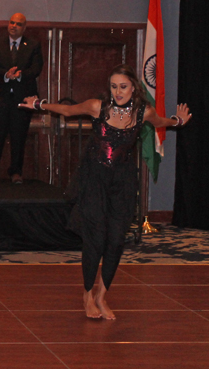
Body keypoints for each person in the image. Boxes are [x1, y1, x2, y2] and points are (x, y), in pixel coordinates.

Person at [20, 64, 192, 320]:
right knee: (96, 238)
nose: (118, 91)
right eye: (114, 86)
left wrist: (177, 121)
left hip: (122, 182)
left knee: (115, 240)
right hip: (94, 180)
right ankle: (87, 293)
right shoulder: (97, 107)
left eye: (123, 86)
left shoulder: (143, 112)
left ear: (134, 87)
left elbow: (161, 122)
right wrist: (39, 105)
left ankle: (102, 295)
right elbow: (67, 111)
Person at [0, 13, 43, 184]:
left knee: (19, 136)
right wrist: (6, 74)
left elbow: (37, 68)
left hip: (23, 99)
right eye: (12, 22)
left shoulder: (33, 45)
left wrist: (21, 75)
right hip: (1, 98)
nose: (14, 26)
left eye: (18, 24)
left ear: (24, 27)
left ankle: (16, 172)